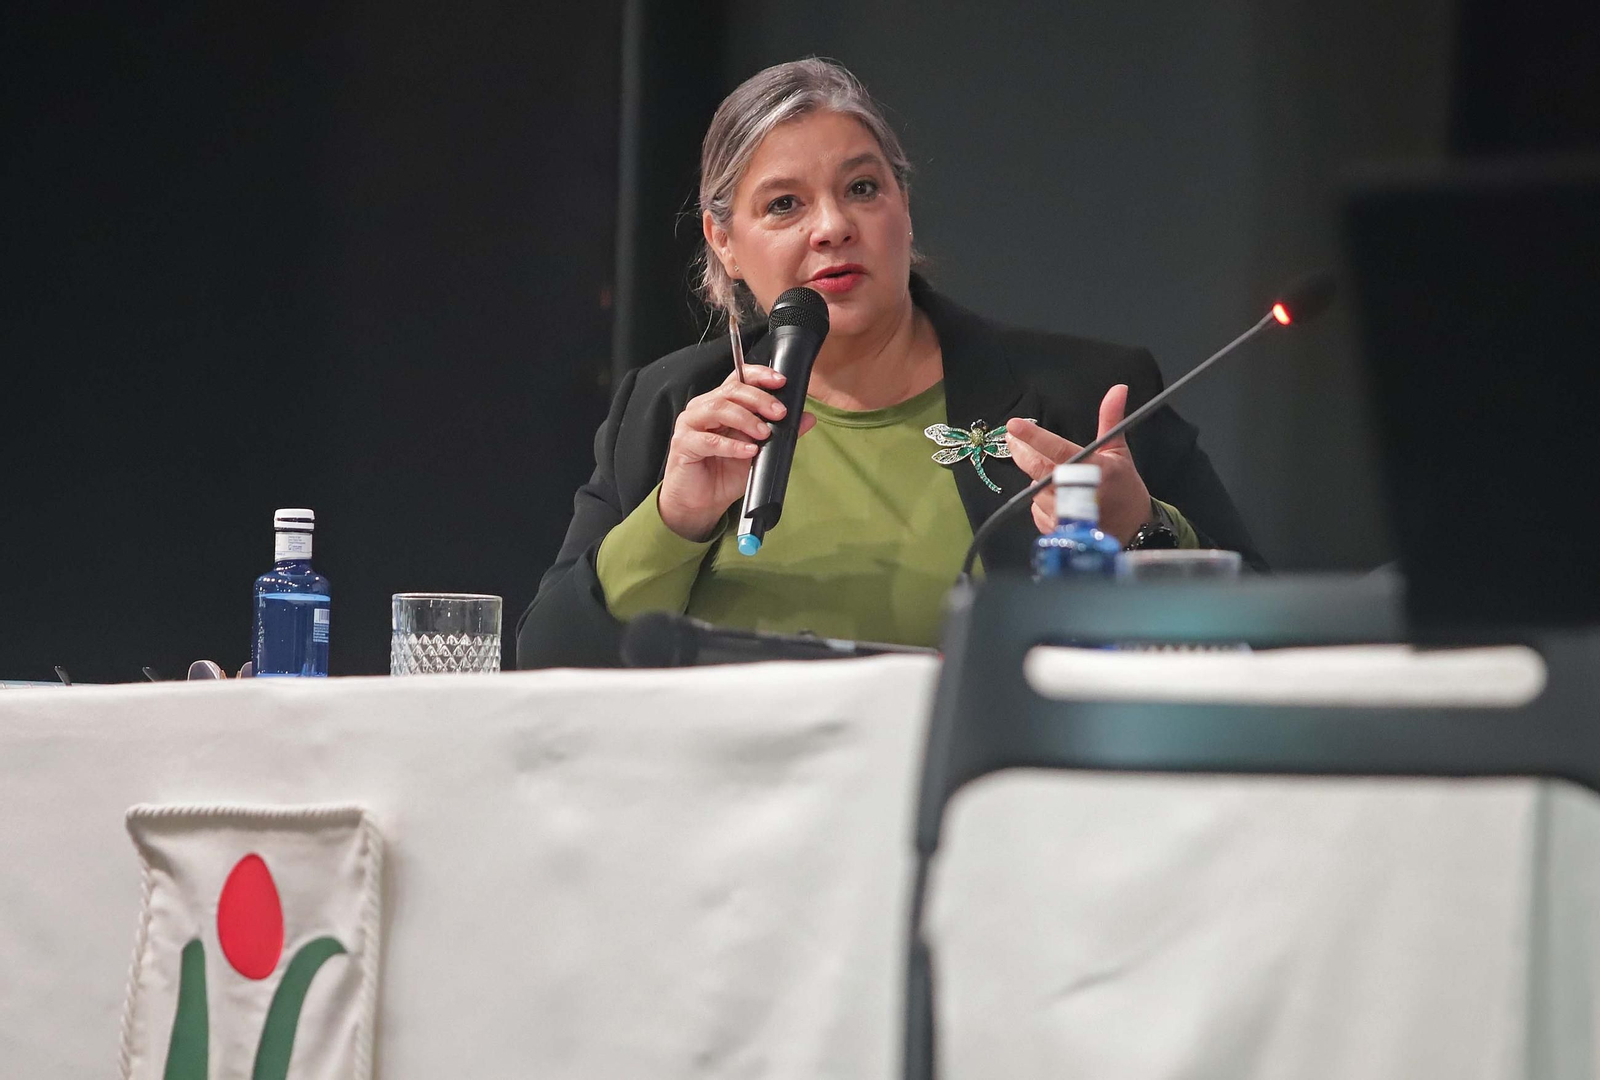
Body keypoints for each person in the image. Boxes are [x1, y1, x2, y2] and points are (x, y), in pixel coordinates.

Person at [517, 58, 1260, 669]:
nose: (834, 227)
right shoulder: (668, 407)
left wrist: (1141, 530)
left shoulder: (1084, 398)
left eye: (862, 189)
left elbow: (1268, 636)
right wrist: (674, 521)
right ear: (724, 240)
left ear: (903, 205)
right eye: (783, 205)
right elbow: (549, 660)